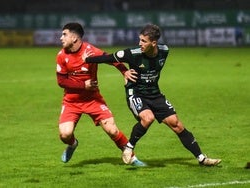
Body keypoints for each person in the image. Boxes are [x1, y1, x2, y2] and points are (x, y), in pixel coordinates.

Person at [83, 24, 221, 166]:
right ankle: (128, 148)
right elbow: (108, 58)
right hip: (136, 93)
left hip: (155, 94)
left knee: (177, 124)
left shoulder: (164, 51)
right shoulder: (132, 54)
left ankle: (202, 159)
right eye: (140, 40)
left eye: (143, 41)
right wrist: (87, 60)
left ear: (153, 43)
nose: (140, 43)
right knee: (148, 118)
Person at [55, 22, 145, 166]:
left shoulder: (90, 51)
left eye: (64, 34)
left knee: (112, 130)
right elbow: (61, 81)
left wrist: (124, 71)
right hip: (71, 101)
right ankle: (72, 144)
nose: (61, 38)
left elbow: (112, 59)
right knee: (65, 135)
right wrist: (83, 85)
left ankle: (132, 158)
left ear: (74, 38)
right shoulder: (61, 55)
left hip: (93, 100)